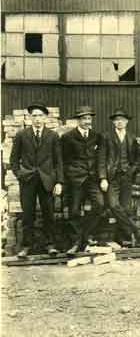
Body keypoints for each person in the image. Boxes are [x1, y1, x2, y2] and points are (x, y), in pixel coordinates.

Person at [10, 103, 64, 258]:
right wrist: (20, 174)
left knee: (49, 213)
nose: (37, 119)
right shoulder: (22, 135)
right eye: (34, 116)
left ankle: (50, 245)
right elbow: (14, 159)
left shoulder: (52, 136)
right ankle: (26, 246)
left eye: (40, 116)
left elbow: (58, 161)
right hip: (27, 180)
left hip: (47, 180)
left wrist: (59, 182)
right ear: (29, 118)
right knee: (28, 214)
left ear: (45, 117)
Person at [61, 106, 106, 255]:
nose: (87, 121)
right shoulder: (68, 137)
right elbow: (64, 161)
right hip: (76, 179)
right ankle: (76, 241)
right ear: (78, 121)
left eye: (89, 118)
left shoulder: (97, 136)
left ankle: (84, 236)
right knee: (73, 210)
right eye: (84, 119)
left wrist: (102, 178)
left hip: (92, 178)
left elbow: (100, 159)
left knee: (99, 204)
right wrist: (70, 176)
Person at [97, 109, 140, 246]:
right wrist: (103, 178)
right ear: (113, 122)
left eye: (122, 120)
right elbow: (101, 159)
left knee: (125, 208)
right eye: (117, 120)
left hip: (126, 177)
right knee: (113, 205)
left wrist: (131, 170)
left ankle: (123, 238)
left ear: (127, 122)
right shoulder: (106, 137)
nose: (119, 122)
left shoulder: (131, 137)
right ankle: (135, 230)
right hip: (112, 177)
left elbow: (137, 159)